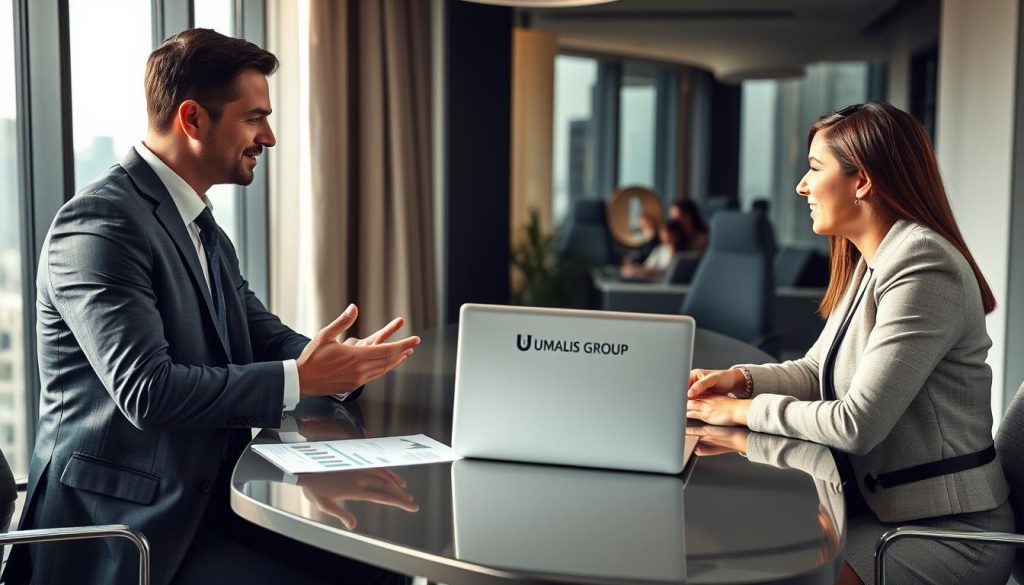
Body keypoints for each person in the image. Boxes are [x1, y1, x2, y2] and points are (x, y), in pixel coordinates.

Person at [3, 29, 419, 585]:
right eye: (254, 118)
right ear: (193, 119)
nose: (268, 137)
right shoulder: (100, 225)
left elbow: (261, 334)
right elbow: (148, 392)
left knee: (378, 566)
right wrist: (299, 378)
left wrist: (340, 365)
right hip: (126, 527)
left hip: (210, 502)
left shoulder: (200, 227)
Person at [685, 102, 1015, 585]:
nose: (801, 185)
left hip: (945, 534)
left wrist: (737, 412)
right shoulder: (875, 259)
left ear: (861, 181)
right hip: (885, 512)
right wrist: (740, 380)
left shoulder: (923, 266)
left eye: (815, 168)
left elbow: (857, 424)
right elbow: (817, 370)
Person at [620, 219, 685, 280]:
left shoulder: (682, 253)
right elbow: (648, 265)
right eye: (662, 233)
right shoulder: (660, 249)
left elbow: (668, 271)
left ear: (675, 235)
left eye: (666, 233)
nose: (663, 236)